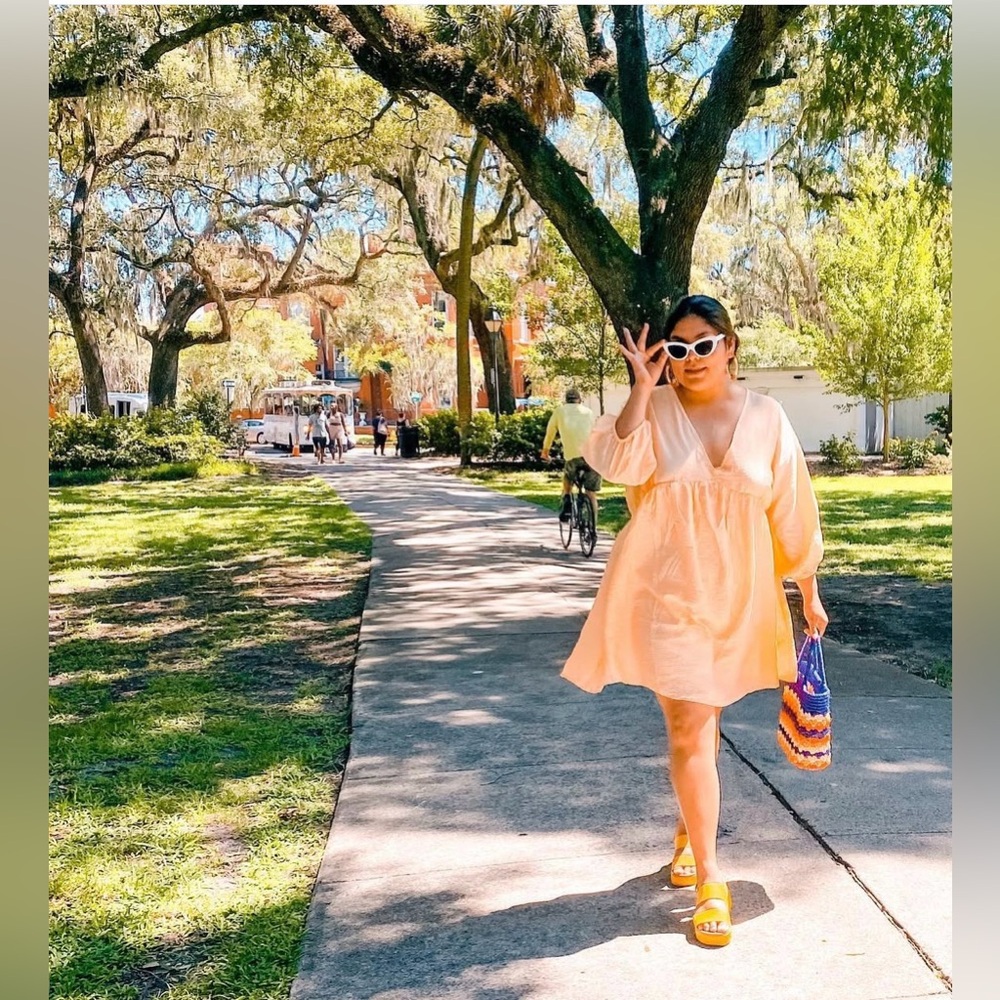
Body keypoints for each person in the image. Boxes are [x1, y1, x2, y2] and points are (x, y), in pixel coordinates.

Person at [561, 295, 828, 949]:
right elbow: (616, 461)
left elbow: (791, 511)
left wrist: (807, 590)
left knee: (704, 729)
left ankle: (690, 829)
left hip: (738, 596)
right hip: (666, 592)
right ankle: (711, 880)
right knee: (688, 727)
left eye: (701, 344)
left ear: (730, 345)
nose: (689, 358)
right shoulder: (652, 410)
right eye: (675, 349)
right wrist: (640, 387)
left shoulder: (767, 417)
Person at [540, 388, 600, 525]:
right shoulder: (589, 412)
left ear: (566, 400)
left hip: (573, 456)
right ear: (580, 400)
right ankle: (594, 527)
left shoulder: (559, 411)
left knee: (568, 476)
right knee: (591, 493)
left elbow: (550, 433)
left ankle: (567, 498)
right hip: (592, 457)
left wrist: (545, 452)